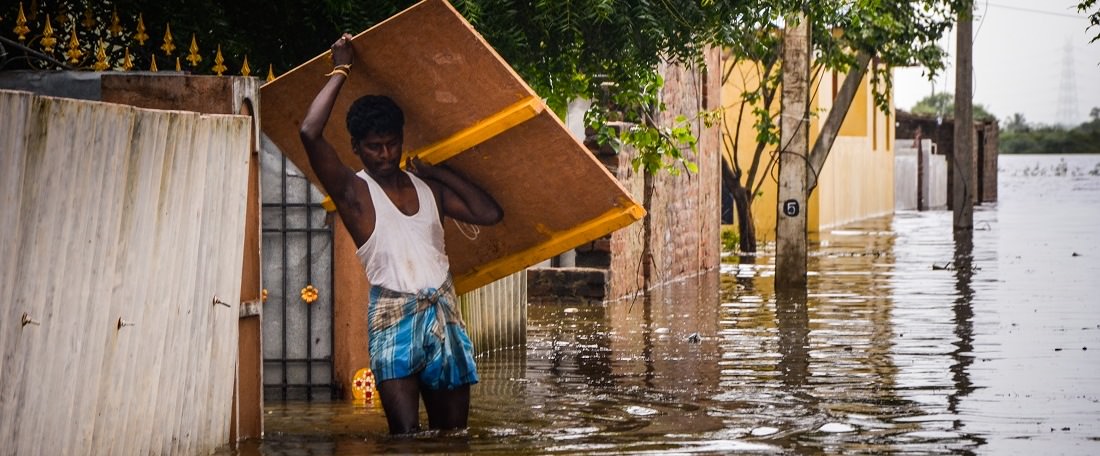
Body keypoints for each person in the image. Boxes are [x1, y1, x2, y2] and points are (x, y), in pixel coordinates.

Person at [299, 33, 503, 435]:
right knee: (404, 439)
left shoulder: (429, 189)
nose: (385, 154)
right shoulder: (354, 194)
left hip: (443, 314)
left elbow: (490, 213)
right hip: (392, 319)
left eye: (392, 144)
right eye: (374, 147)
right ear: (356, 147)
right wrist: (341, 68)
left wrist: (437, 172)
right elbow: (309, 132)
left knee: (454, 438)